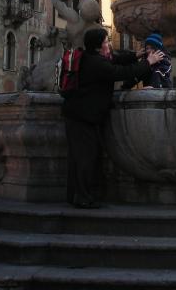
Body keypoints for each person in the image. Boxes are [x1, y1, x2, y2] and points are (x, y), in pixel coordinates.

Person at [61, 27, 164, 209]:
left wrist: (135, 55)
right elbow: (120, 73)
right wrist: (148, 62)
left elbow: (116, 59)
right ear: (99, 47)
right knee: (86, 158)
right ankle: (85, 198)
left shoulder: (91, 57)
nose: (109, 44)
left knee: (78, 158)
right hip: (82, 117)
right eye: (106, 42)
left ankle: (76, 196)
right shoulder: (96, 64)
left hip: (79, 114)